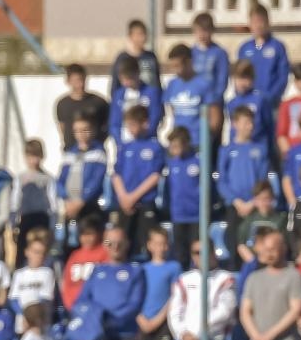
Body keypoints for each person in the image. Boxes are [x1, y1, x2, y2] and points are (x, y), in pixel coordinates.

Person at [239, 228, 301, 340]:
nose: (268, 254)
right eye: (265, 249)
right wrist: (258, 339)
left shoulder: (293, 275)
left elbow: (295, 310)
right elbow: (245, 312)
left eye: (272, 249)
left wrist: (268, 337)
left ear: (283, 248)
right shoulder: (254, 278)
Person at [74, 226, 146, 340]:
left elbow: (134, 304)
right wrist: (96, 319)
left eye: (120, 242)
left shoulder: (136, 271)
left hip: (124, 336)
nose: (115, 247)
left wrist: (109, 321)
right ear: (104, 245)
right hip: (97, 336)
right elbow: (82, 301)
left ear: (127, 244)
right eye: (110, 243)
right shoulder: (97, 270)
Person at [168, 238, 238, 340]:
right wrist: (184, 335)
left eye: (204, 251)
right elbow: (174, 312)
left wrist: (197, 332)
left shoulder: (226, 278)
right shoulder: (184, 280)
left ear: (213, 253)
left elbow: (225, 312)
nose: (201, 256)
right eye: (197, 252)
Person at [111, 105, 165, 255]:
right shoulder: (125, 147)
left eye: (133, 124)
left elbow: (155, 176)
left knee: (146, 242)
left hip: (145, 202)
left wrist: (133, 197)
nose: (130, 129)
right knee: (122, 241)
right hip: (124, 203)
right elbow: (116, 174)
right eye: (128, 125)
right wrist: (123, 197)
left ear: (145, 123)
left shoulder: (155, 147)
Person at [217, 106, 270, 248]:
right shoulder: (227, 150)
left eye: (252, 122)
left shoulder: (260, 149)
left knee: (255, 242)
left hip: (255, 204)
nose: (250, 126)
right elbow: (222, 181)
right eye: (246, 122)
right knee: (233, 240)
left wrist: (253, 202)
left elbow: (263, 179)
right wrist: (236, 201)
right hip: (235, 205)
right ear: (235, 124)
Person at [57, 118, 109, 246]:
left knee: (90, 240)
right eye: (78, 131)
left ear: (92, 130)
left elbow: (96, 180)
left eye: (85, 130)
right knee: (69, 242)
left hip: (88, 205)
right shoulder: (69, 153)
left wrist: (81, 201)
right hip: (70, 206)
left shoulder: (98, 152)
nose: (81, 134)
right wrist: (66, 198)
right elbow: (60, 180)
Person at [237, 3, 290, 125]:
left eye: (261, 21)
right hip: (248, 105)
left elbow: (283, 76)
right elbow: (239, 76)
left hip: (270, 105)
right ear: (249, 23)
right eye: (254, 22)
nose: (258, 26)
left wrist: (270, 97)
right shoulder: (244, 48)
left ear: (268, 22)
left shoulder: (277, 47)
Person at [163, 43, 219, 151]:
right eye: (172, 66)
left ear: (188, 62)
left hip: (198, 144)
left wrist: (206, 140)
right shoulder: (172, 85)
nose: (175, 70)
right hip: (178, 144)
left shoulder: (204, 84)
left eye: (177, 66)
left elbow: (215, 117)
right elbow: (172, 111)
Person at [162, 126, 204, 268]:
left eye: (176, 145)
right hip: (178, 215)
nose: (173, 149)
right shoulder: (171, 163)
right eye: (171, 146)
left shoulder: (198, 162)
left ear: (186, 143)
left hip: (197, 215)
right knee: (181, 253)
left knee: (196, 250)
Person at [137, 226, 182, 340]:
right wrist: (141, 318)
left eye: (163, 244)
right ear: (149, 245)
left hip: (164, 322)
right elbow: (135, 296)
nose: (160, 248)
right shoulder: (142, 269)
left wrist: (158, 319)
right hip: (143, 321)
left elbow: (175, 295)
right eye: (157, 244)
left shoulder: (174, 267)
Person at [13, 139, 56, 259]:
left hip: (42, 219)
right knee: (22, 250)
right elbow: (15, 201)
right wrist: (13, 223)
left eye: (37, 156)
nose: (34, 160)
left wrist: (53, 225)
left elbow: (53, 204)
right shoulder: (21, 178)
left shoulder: (48, 178)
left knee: (42, 249)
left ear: (42, 156)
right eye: (31, 156)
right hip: (26, 218)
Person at [9, 229, 57, 328]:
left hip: (39, 324)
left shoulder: (47, 273)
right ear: (27, 252)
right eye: (36, 252)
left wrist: (33, 318)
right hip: (22, 324)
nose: (39, 256)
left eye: (42, 253)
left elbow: (45, 299)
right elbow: (13, 299)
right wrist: (24, 315)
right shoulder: (19, 274)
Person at [109, 58, 163, 145]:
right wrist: (119, 141)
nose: (126, 83)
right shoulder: (119, 95)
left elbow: (155, 117)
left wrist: (144, 135)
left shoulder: (152, 93)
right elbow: (114, 122)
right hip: (125, 143)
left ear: (137, 73)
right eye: (123, 79)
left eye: (130, 78)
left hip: (146, 141)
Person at [60, 216, 109, 312]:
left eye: (90, 234)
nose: (86, 238)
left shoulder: (104, 253)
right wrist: (70, 305)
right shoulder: (75, 255)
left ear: (99, 234)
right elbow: (67, 282)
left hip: (95, 307)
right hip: (74, 306)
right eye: (83, 234)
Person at [56, 64, 108, 151]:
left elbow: (108, 125)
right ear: (68, 81)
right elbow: (62, 127)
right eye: (76, 80)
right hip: (71, 150)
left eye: (82, 79)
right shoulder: (62, 104)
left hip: (94, 151)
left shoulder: (99, 102)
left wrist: (99, 141)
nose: (81, 84)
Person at [225, 60, 274, 153]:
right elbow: (232, 128)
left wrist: (270, 150)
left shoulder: (261, 100)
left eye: (246, 78)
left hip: (258, 146)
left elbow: (269, 127)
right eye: (239, 78)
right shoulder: (231, 103)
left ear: (252, 79)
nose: (242, 83)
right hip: (239, 149)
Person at [233, 181, 286, 266]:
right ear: (254, 200)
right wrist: (253, 262)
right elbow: (241, 245)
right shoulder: (249, 220)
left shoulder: (280, 219)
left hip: (274, 263)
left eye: (267, 198)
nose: (264, 202)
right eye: (260, 199)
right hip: (253, 263)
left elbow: (282, 245)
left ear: (273, 198)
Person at [190, 11, 230, 108]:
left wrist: (214, 99)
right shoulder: (191, 53)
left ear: (212, 30)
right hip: (194, 102)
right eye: (199, 31)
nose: (202, 35)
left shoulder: (219, 53)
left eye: (205, 31)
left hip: (213, 104)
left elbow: (222, 80)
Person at [110, 18, 161, 93]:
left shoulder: (150, 57)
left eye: (144, 33)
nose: (143, 38)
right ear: (131, 36)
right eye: (139, 34)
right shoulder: (122, 58)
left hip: (149, 99)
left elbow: (157, 81)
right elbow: (115, 84)